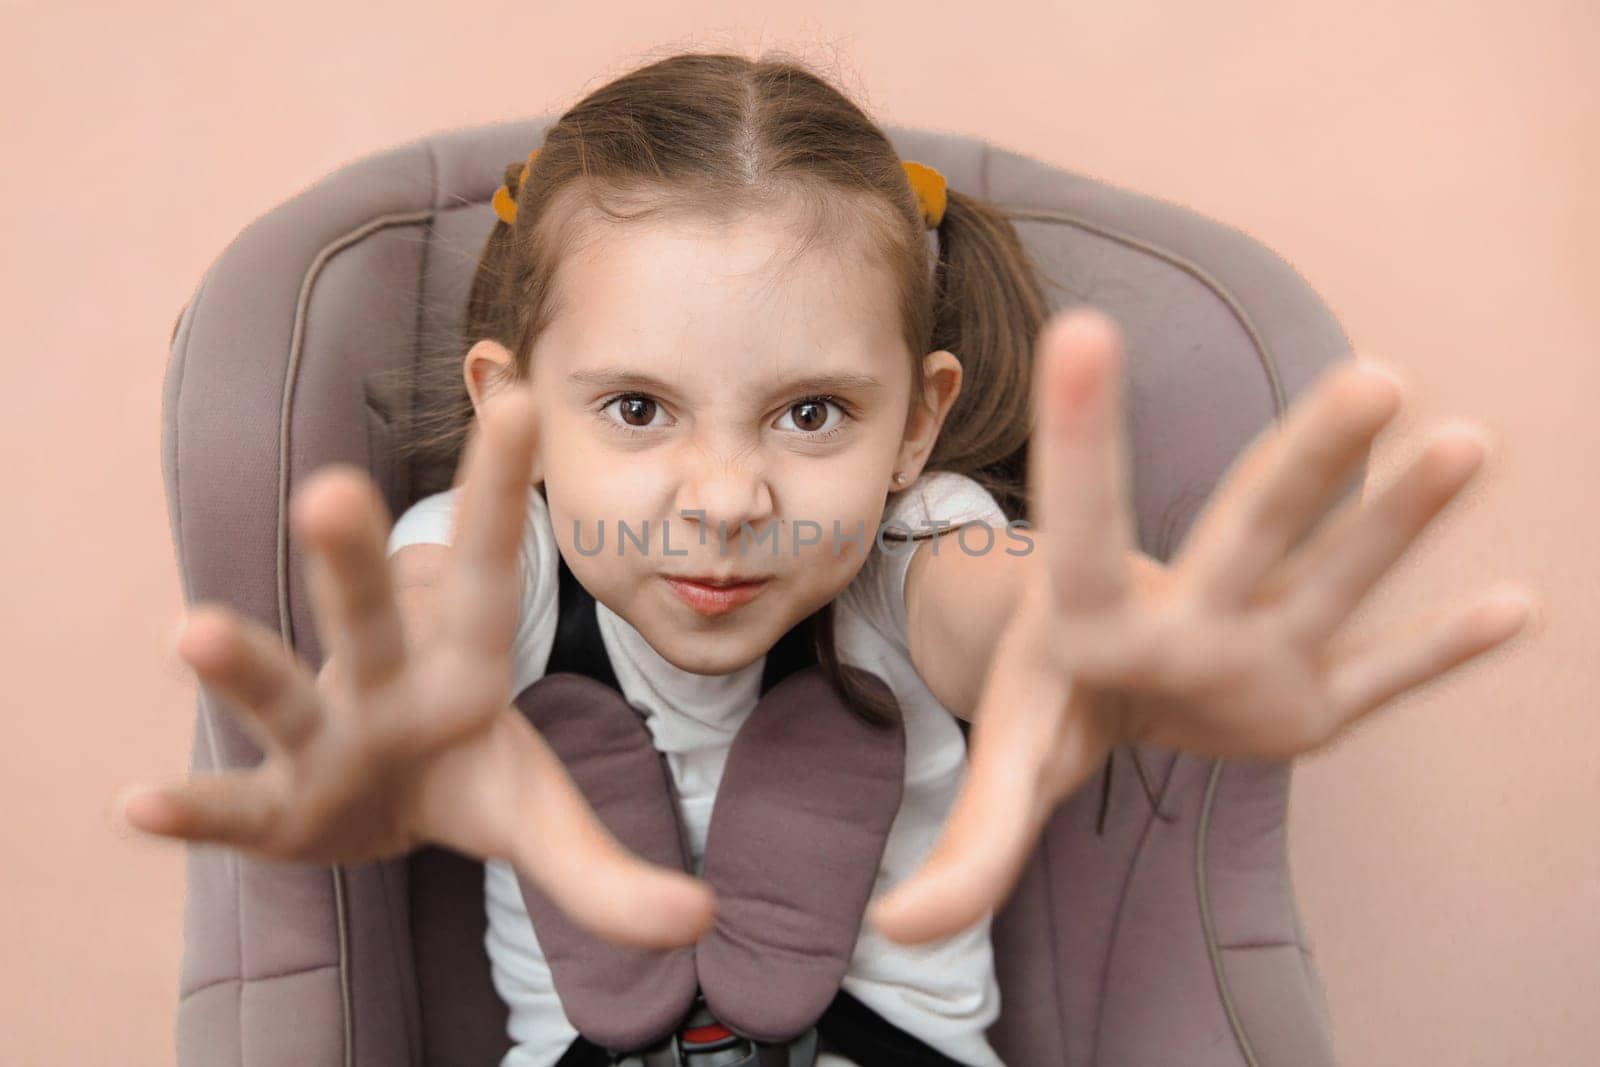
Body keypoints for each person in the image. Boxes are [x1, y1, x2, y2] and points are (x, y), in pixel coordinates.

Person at [117, 50, 1539, 1067]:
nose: (730, 499)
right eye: (635, 410)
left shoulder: (911, 550)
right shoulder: (499, 562)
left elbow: (1019, 608)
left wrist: (1128, 639)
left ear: (915, 426)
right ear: (512, 413)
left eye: (813, 414)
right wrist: (396, 713)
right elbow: (429, 637)